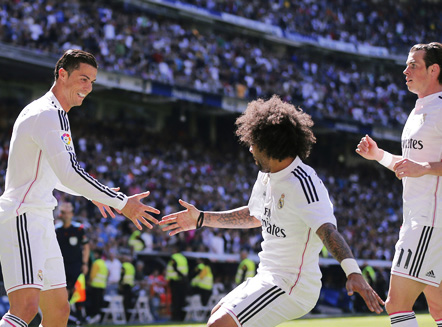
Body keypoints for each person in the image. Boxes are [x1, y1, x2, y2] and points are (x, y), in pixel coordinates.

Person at [160, 95, 384, 327]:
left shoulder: (304, 183)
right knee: (217, 314)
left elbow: (328, 231)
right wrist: (202, 219)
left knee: (220, 324)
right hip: (266, 274)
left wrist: (353, 272)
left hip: (293, 284)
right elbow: (254, 215)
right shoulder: (266, 176)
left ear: (270, 145)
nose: (250, 148)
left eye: (254, 142)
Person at [0, 49, 160, 327]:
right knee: (24, 309)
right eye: (83, 79)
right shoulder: (49, 114)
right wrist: (122, 202)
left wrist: (90, 192)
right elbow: (69, 173)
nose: (88, 88)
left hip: (40, 218)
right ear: (62, 74)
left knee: (59, 311)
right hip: (22, 216)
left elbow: (57, 175)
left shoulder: (51, 113)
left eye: (92, 82)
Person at [356, 42, 442, 327]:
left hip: (428, 223)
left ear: (434, 70)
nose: (405, 70)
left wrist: (425, 168)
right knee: (438, 307)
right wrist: (378, 155)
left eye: (413, 65)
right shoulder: (418, 111)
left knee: (396, 304)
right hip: (421, 219)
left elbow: (419, 168)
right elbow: (408, 167)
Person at [55, 202, 89, 323]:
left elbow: (86, 247)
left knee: (78, 291)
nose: (64, 215)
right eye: (62, 212)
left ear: (72, 214)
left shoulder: (79, 229)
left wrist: (85, 263)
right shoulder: (56, 230)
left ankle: (79, 316)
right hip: (60, 267)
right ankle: (68, 317)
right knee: (63, 293)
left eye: (67, 212)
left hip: (76, 265)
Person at [165, 248, 189, 321]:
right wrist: (184, 277)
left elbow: (174, 267)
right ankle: (182, 317)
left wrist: (180, 275)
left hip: (175, 281)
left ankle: (175, 317)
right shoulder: (183, 258)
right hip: (183, 282)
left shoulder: (174, 257)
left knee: (175, 300)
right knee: (182, 299)